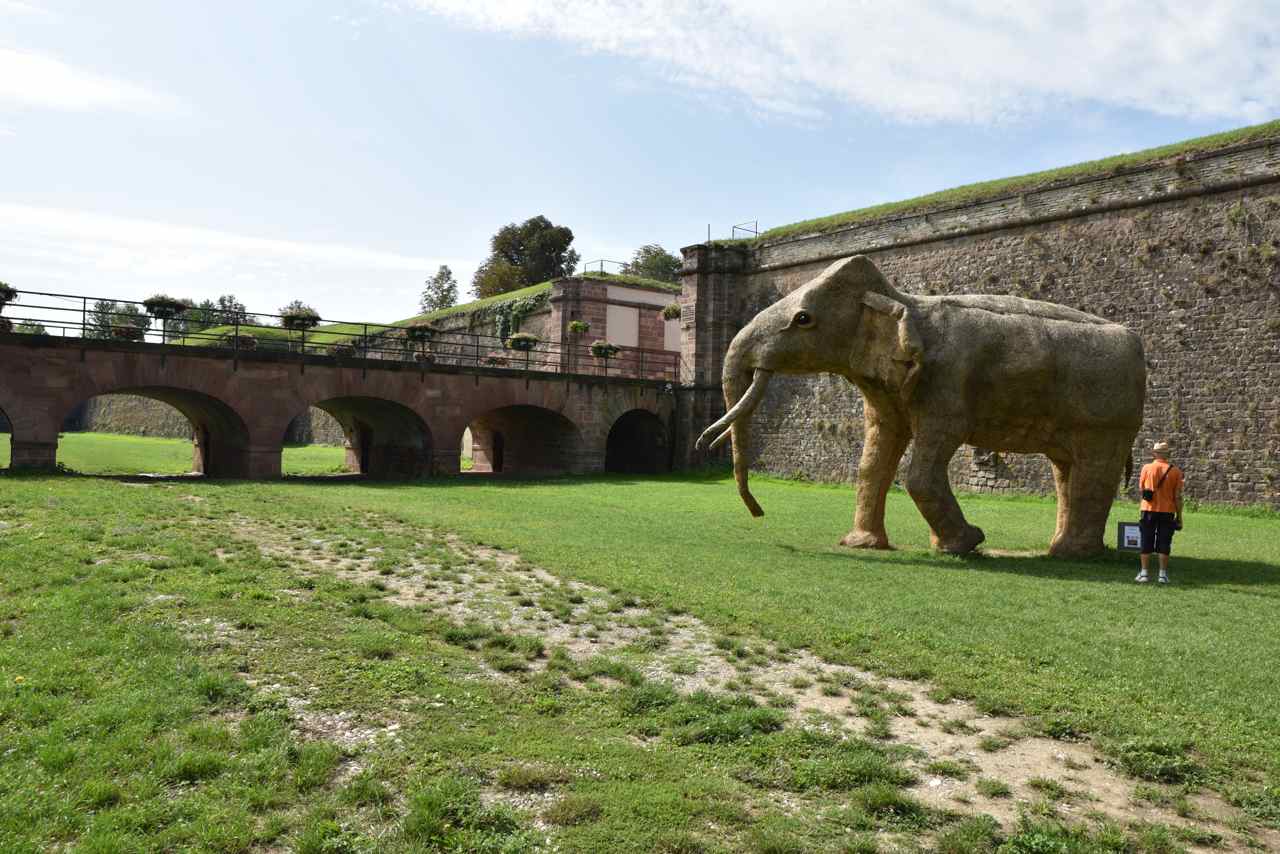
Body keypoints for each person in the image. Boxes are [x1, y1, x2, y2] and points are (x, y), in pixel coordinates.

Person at [1135, 441, 1184, 584]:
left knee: (1146, 539)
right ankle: (1162, 574)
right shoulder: (1175, 471)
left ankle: (1144, 573)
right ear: (1167, 455)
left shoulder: (1147, 468)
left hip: (1148, 509)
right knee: (1164, 541)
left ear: (1154, 453)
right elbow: (1178, 496)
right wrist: (1179, 516)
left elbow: (1142, 488)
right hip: (1168, 511)